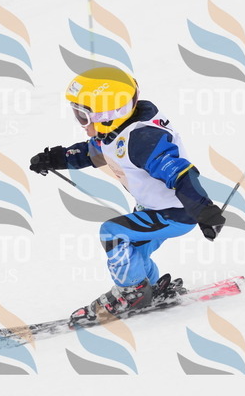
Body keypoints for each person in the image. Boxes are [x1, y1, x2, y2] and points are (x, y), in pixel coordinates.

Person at [29, 67, 225, 326]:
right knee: (133, 250)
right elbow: (93, 152)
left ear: (107, 114)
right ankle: (148, 288)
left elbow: (178, 172)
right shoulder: (116, 130)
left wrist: (203, 209)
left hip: (177, 212)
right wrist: (55, 158)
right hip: (153, 208)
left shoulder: (142, 140)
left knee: (113, 233)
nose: (81, 123)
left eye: (83, 116)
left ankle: (131, 293)